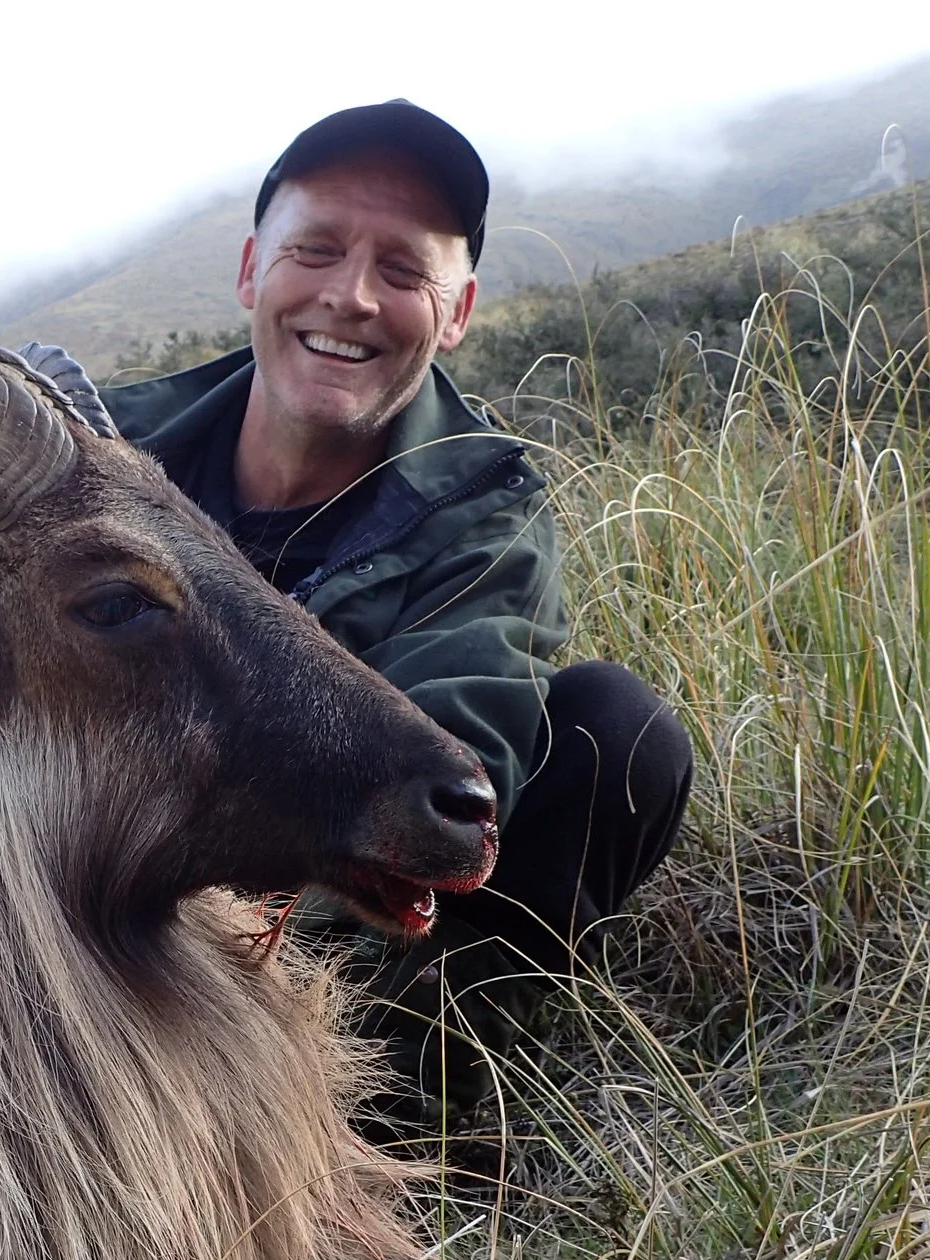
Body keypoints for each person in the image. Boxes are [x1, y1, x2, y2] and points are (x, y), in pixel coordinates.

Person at [95, 100, 694, 1131]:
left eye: (404, 271)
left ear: (454, 313)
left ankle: (401, 1102)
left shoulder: (483, 505)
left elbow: (460, 763)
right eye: (315, 250)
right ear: (250, 271)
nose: (352, 297)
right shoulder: (100, 455)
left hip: (321, 928)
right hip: (82, 881)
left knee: (614, 729)